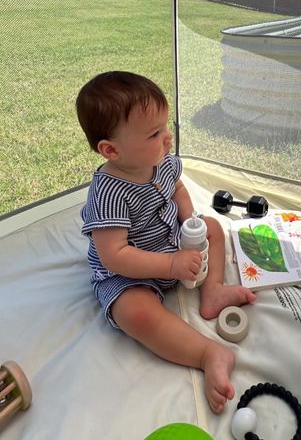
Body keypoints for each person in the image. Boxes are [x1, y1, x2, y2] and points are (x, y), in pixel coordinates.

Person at [76, 71, 256, 414]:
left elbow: (177, 188)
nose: (168, 138)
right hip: (130, 273)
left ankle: (213, 290)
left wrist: (190, 219)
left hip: (170, 241)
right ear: (111, 149)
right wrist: (171, 265)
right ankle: (207, 353)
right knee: (135, 313)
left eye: (166, 126)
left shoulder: (160, 162)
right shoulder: (109, 191)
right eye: (155, 133)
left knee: (214, 228)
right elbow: (114, 255)